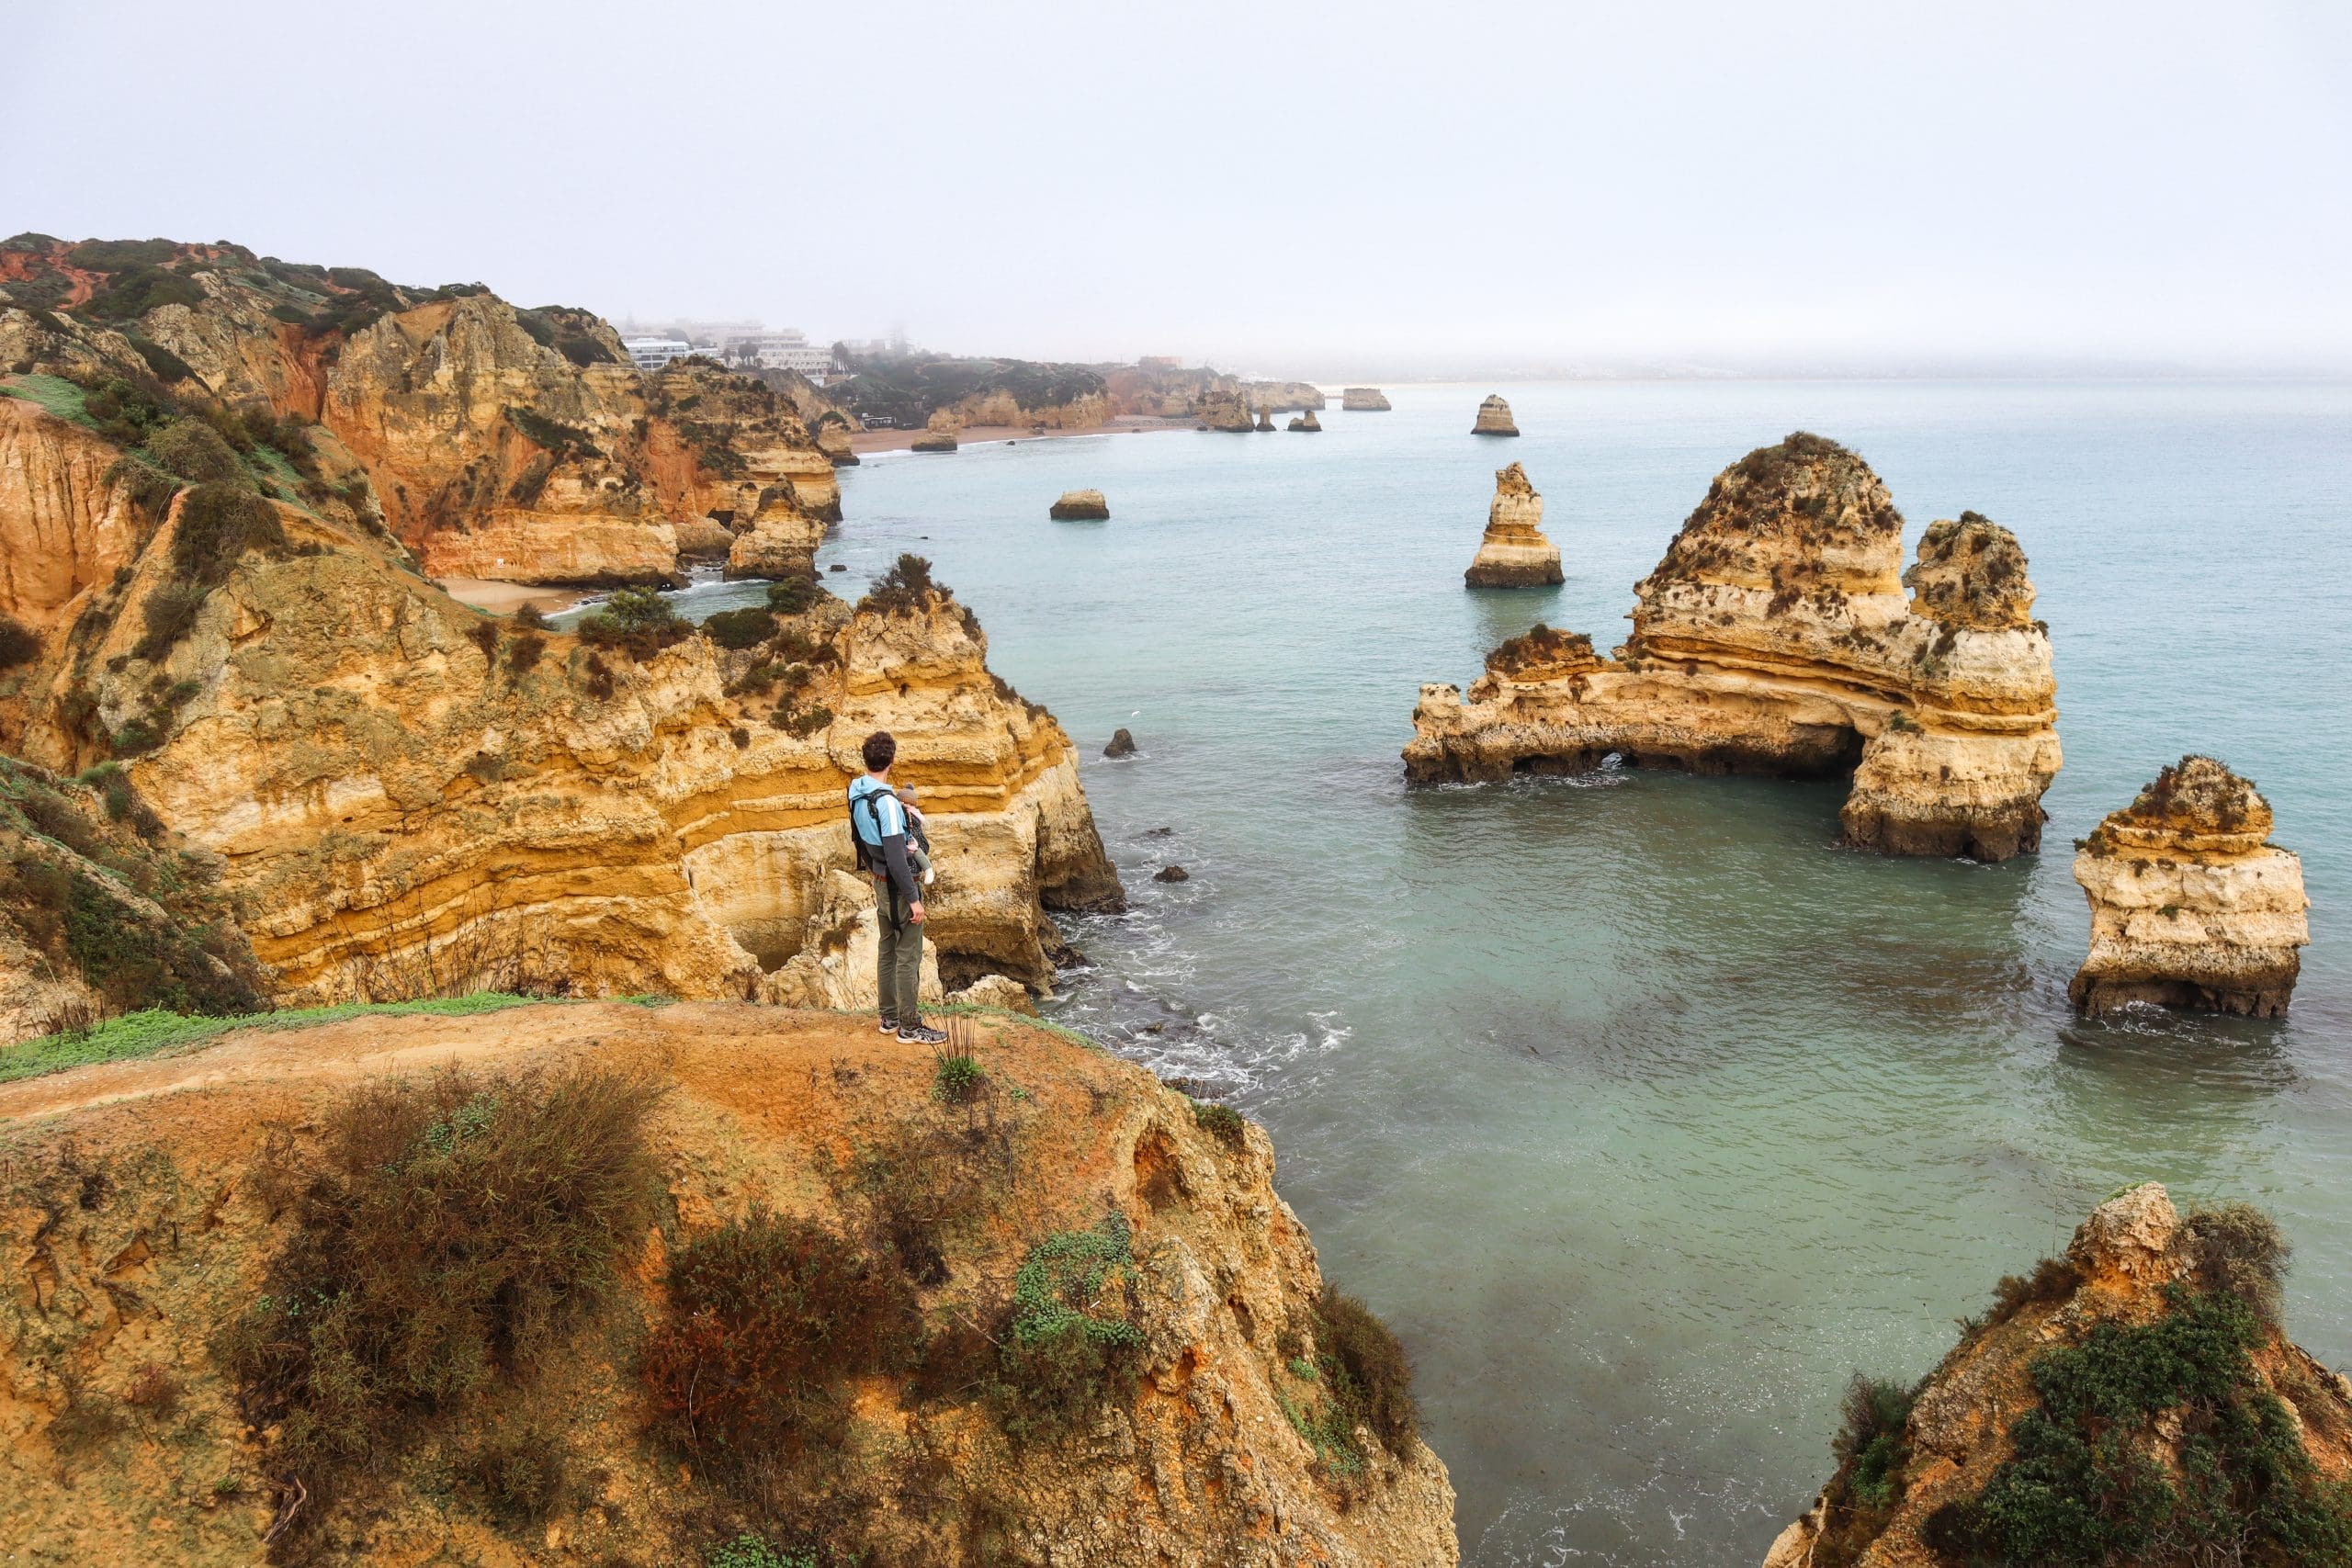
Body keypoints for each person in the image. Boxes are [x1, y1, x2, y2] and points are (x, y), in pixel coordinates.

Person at [848, 730, 944, 1043]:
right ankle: (909, 1026)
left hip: (878, 880)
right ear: (891, 760)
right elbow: (895, 854)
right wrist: (913, 899)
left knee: (887, 949)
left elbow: (860, 839)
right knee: (908, 955)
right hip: (898, 883)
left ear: (866, 759)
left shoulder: (856, 792)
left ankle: (888, 1018)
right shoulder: (887, 802)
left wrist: (877, 871)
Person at [895, 784, 936, 887]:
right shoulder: (900, 813)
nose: (907, 805)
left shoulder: (913, 815)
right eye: (904, 803)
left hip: (913, 842)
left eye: (910, 804)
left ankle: (928, 869)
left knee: (916, 850)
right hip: (905, 843)